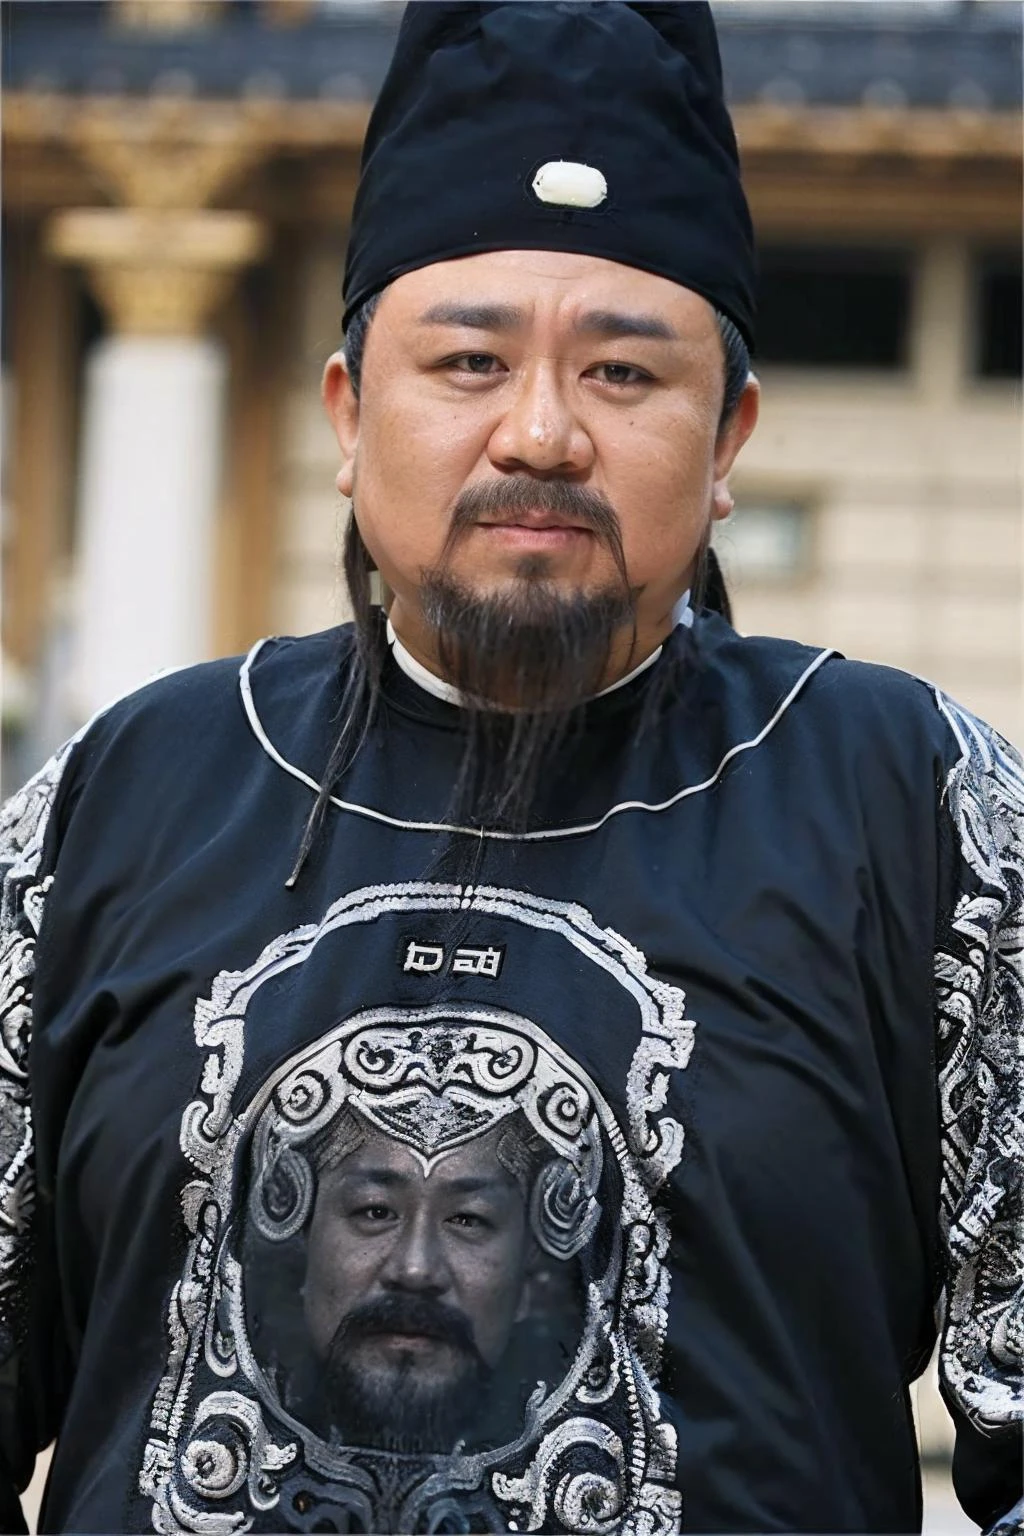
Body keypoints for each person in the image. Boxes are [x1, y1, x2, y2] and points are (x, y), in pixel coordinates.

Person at [0, 3, 1021, 1533]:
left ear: (728, 434)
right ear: (349, 413)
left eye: (623, 375)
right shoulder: (114, 805)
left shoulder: (921, 815)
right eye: (468, 359)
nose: (538, 432)